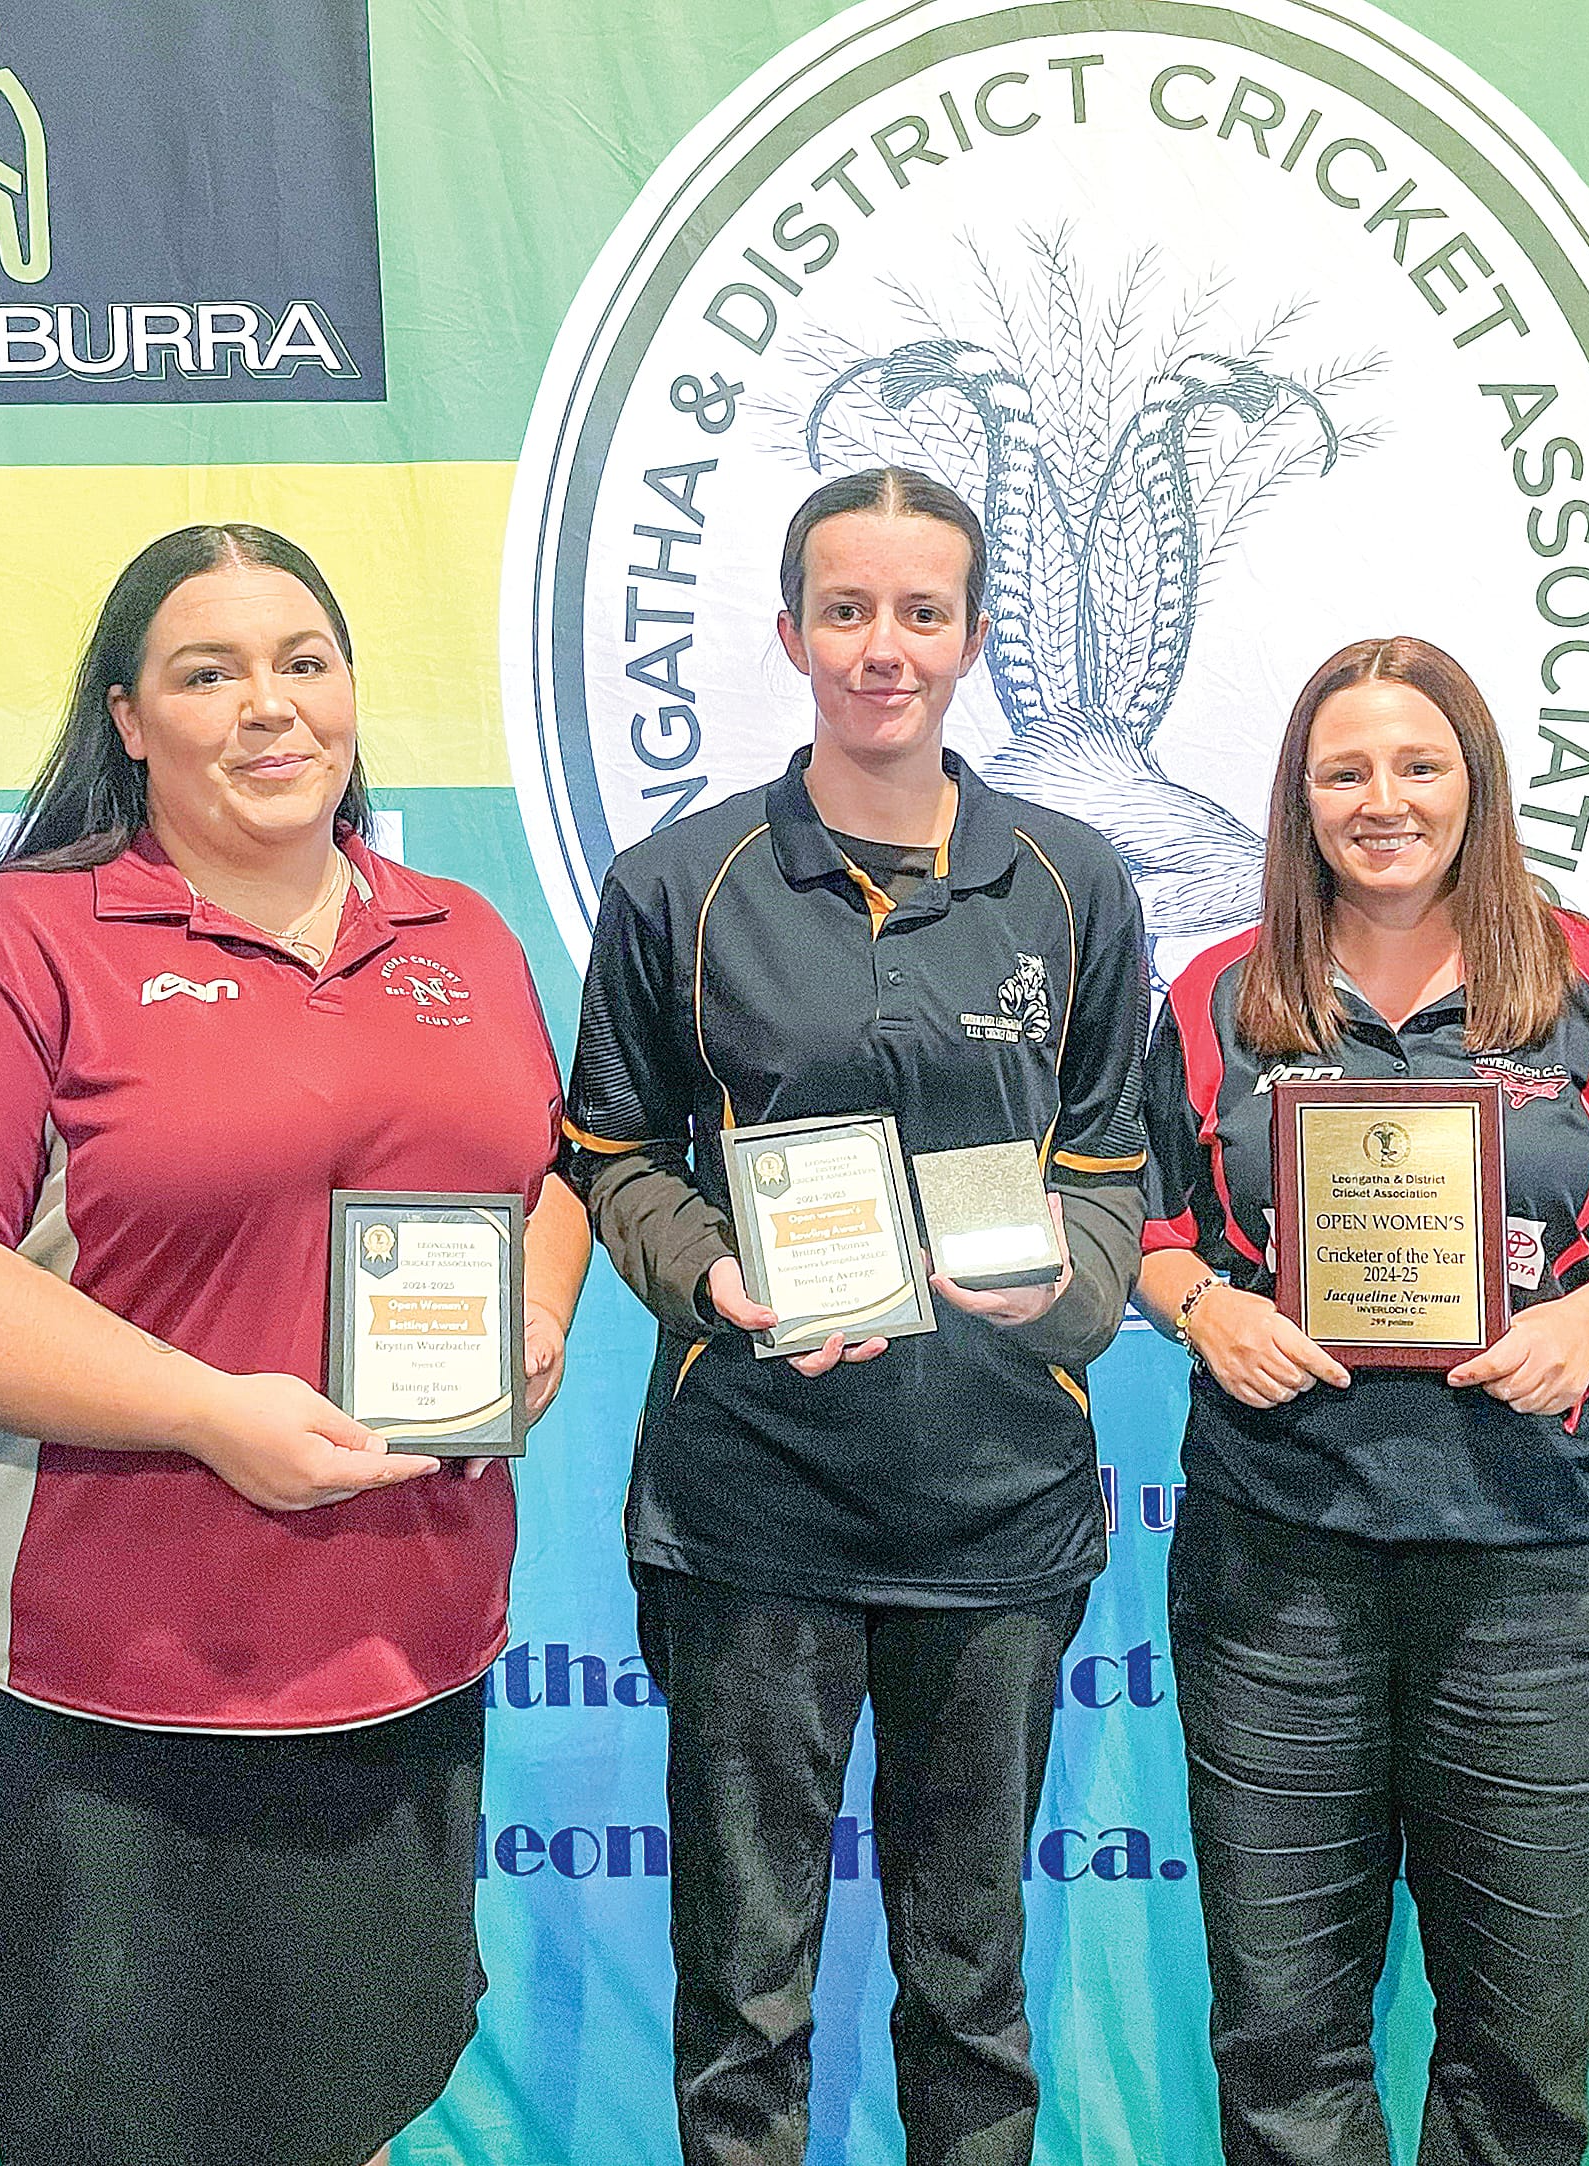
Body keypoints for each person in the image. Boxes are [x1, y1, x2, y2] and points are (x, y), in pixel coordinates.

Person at [0, 524, 589, 2166]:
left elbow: (543, 1180)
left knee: (344, 2108)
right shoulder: (8, 944)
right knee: (128, 2127)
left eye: (304, 661)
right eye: (209, 671)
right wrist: (208, 1411)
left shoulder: (460, 936)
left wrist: (540, 1310)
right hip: (105, 1673)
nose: (270, 707)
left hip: (403, 1652)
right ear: (127, 715)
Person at [560, 466, 1149, 2165]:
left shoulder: (1074, 883)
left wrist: (1072, 1293)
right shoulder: (680, 881)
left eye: (918, 613)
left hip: (997, 1513)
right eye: (843, 609)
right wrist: (715, 1276)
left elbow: (1109, 1162)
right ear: (788, 627)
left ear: (973, 637)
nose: (879, 648)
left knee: (969, 1986)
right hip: (751, 1512)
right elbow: (609, 1150)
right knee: (744, 1992)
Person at [1137, 634, 1589, 2166]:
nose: (1382, 799)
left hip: (1539, 1573)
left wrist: (1586, 1327)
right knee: (1280, 2037)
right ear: (1299, 798)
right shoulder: (1219, 992)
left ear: (1473, 783)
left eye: (1418, 764)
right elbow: (1139, 1224)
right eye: (1344, 770)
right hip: (1278, 1566)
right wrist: (1209, 1311)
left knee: (1519, 2047)